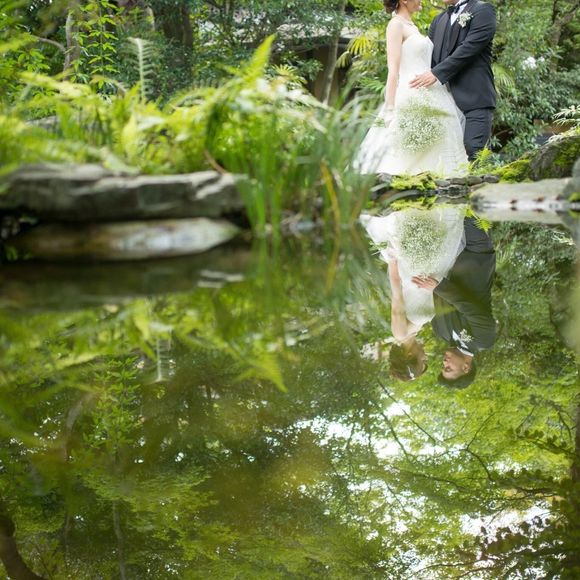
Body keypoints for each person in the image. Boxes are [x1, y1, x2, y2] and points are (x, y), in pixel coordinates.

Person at [355, 0, 468, 176]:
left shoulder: (413, 26)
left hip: (432, 93)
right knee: (406, 153)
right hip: (410, 94)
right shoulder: (395, 25)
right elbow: (393, 71)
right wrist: (390, 108)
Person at [361, 204, 468, 380]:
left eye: (422, 361)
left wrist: (392, 259)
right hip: (433, 270)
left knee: (414, 218)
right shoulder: (414, 331)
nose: (426, 357)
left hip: (414, 269)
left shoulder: (400, 333)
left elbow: (397, 293)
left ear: (410, 356)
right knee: (437, 220)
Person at [412, 217, 497, 388]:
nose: (444, 362)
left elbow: (431, 297)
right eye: (448, 368)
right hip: (474, 253)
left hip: (442, 254)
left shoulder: (441, 332)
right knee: (465, 209)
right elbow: (470, 308)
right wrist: (439, 287)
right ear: (465, 368)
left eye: (443, 366)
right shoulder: (484, 340)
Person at [410, 0, 497, 160]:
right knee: (445, 156)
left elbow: (469, 48)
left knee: (475, 149)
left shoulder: (483, 10)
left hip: (474, 98)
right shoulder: (439, 20)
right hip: (443, 100)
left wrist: (436, 73)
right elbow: (430, 56)